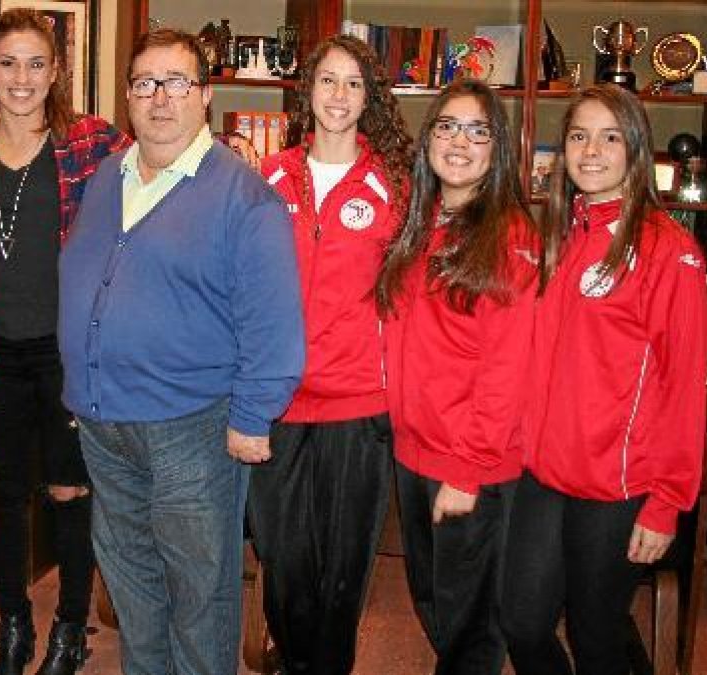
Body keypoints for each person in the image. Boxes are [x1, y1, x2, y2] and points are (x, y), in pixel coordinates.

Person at [59, 28, 305, 675]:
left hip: (191, 429)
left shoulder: (243, 195)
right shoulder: (107, 176)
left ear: (205, 96)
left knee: (200, 588)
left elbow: (275, 323)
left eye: (176, 83)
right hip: (106, 426)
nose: (159, 97)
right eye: (144, 83)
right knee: (133, 580)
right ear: (129, 95)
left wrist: (253, 415)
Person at [0, 8, 130, 674]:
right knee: (2, 490)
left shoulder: (91, 143)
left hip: (67, 350)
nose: (21, 79)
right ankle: (13, 625)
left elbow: (159, 182)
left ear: (56, 71)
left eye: (35, 64)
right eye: (7, 63)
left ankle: (70, 629)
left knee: (68, 490)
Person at [500, 84, 707, 675]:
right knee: (521, 620)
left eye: (609, 136)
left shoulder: (670, 251)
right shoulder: (560, 238)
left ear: (635, 149)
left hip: (619, 484)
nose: (591, 150)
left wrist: (666, 502)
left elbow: (682, 386)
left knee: (597, 636)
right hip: (544, 472)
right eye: (578, 136)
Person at [246, 34, 411, 675]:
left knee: (344, 570)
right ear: (306, 90)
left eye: (353, 84)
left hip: (359, 406)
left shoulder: (393, 182)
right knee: (283, 562)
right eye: (327, 81)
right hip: (280, 401)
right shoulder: (269, 176)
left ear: (368, 97)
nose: (338, 96)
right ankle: (294, 657)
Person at [376, 79, 539, 675]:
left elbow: (507, 370)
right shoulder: (420, 225)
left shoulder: (510, 237)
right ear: (428, 141)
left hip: (471, 465)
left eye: (479, 130)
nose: (460, 141)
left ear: (499, 151)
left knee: (471, 629)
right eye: (447, 126)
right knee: (434, 606)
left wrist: (466, 473)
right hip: (415, 452)